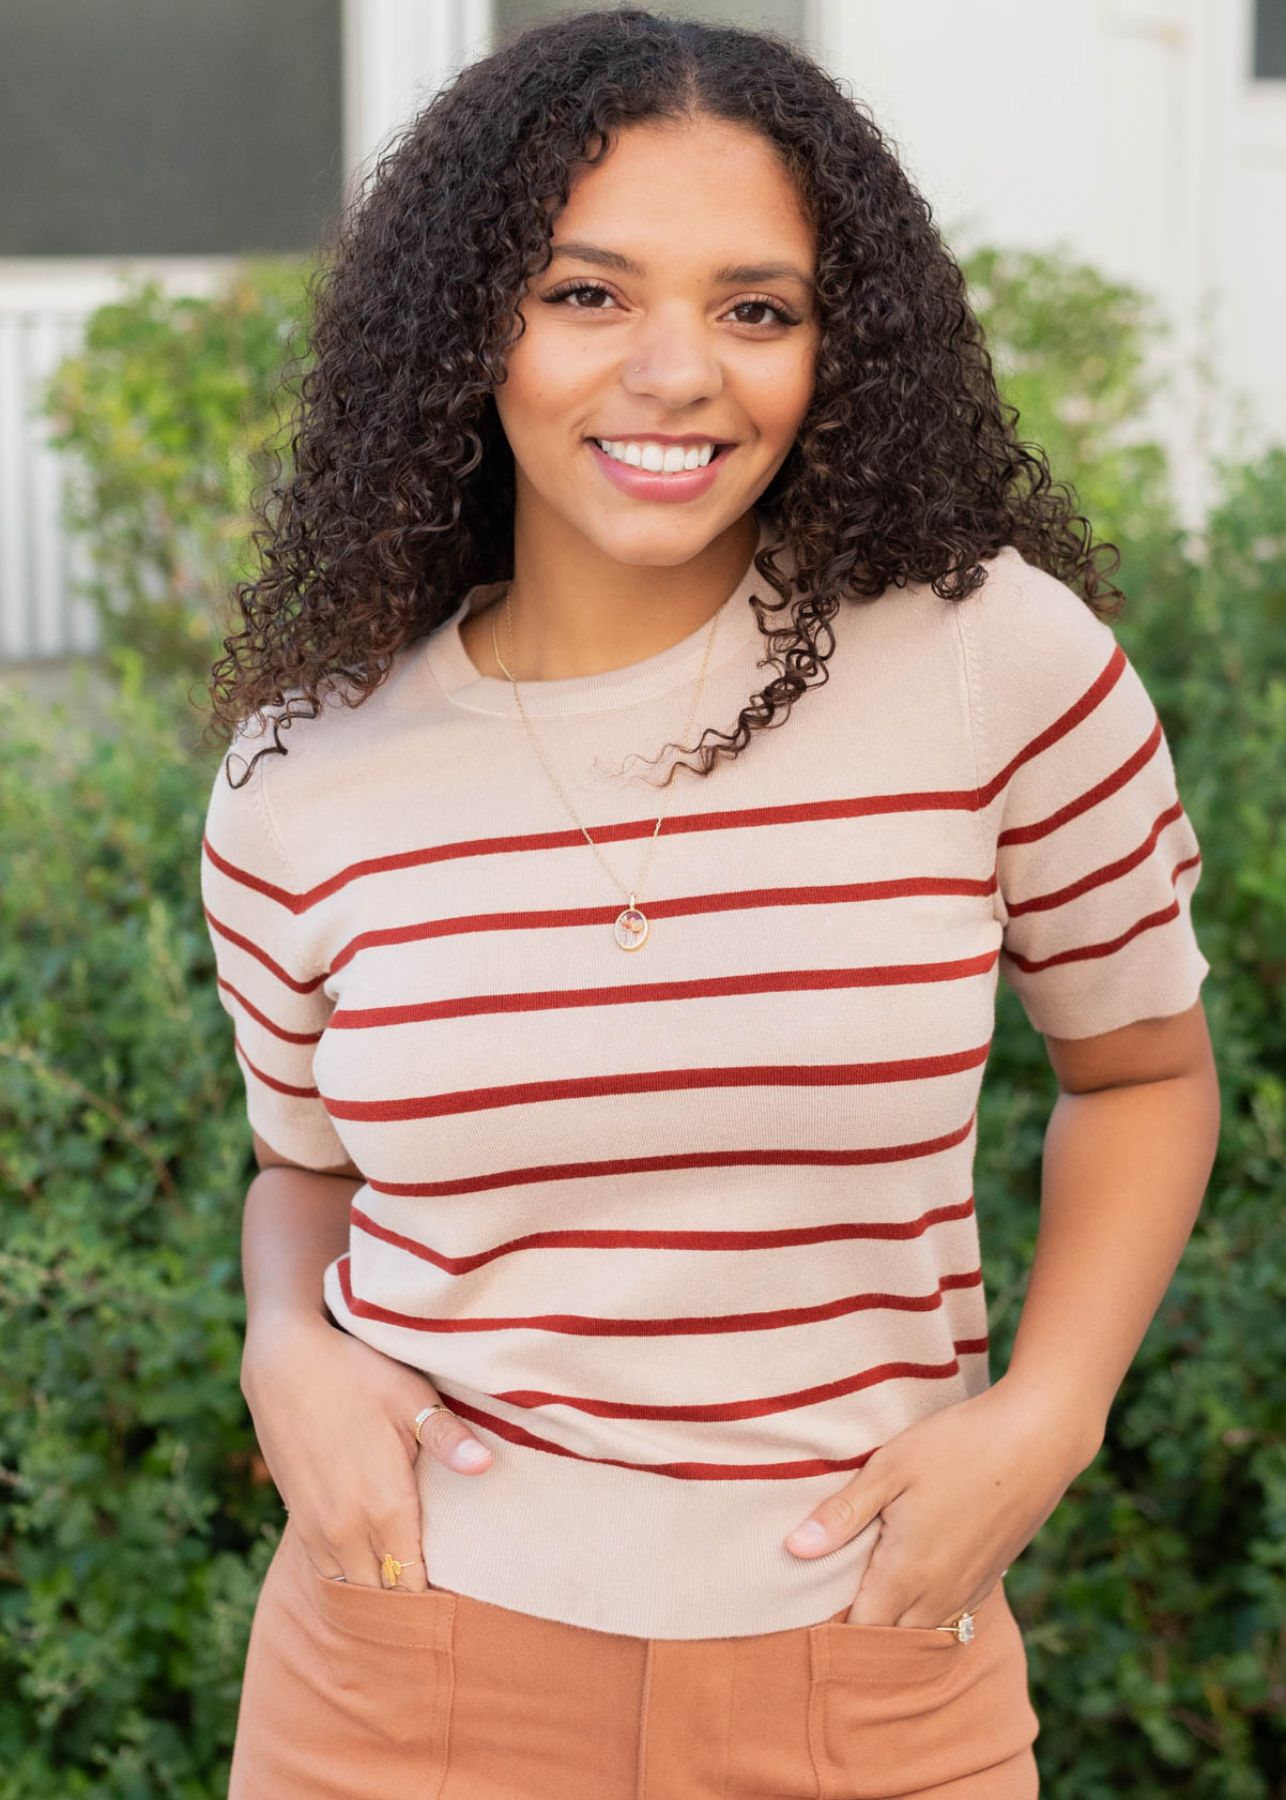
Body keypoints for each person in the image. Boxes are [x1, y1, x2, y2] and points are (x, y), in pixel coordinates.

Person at [199, 9, 1220, 1797]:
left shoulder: (997, 666)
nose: (677, 371)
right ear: (470, 327)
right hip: (403, 1664)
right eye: (587, 293)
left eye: (757, 308)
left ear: (837, 349)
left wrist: (1046, 1424)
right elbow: (309, 1172)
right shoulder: (305, 776)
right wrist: (287, 1345)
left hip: (874, 1661)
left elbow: (1141, 1071)